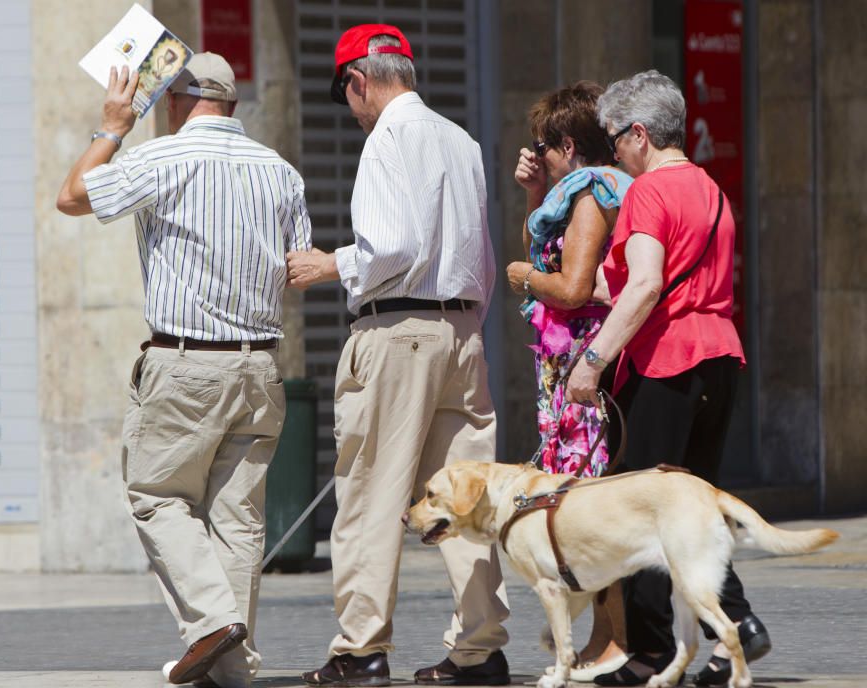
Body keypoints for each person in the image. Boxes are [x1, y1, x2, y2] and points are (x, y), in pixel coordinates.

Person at [56, 53, 312, 688]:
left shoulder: (161, 156)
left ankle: (212, 623)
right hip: (260, 367)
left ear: (173, 100)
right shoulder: (280, 171)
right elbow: (297, 267)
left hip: (185, 363)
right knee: (237, 520)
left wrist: (112, 126)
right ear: (231, 103)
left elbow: (71, 197)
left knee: (157, 497)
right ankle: (232, 669)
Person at [286, 23, 510, 688]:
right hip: (462, 331)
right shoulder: (460, 140)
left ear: (359, 81)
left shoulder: (387, 138)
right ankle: (481, 647)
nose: (352, 113)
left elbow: (393, 246)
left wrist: (331, 262)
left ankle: (361, 649)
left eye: (348, 97)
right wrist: (464, 326)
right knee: (467, 498)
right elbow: (481, 255)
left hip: (397, 332)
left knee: (370, 494)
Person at [565, 69, 770, 687]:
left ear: (638, 134)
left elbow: (650, 283)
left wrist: (594, 359)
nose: (612, 153)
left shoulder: (649, 193)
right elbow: (650, 276)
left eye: (613, 139)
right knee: (693, 512)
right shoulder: (710, 189)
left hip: (665, 362)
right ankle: (737, 624)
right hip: (719, 357)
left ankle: (652, 655)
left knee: (640, 512)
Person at [504, 81, 633, 682]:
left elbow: (573, 287)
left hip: (583, 369)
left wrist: (525, 275)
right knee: (584, 501)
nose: (539, 157)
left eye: (543, 146)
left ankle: (613, 642)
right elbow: (558, 263)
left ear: (565, 143)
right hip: (572, 365)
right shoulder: (580, 193)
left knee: (588, 504)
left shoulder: (590, 197)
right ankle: (606, 638)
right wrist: (534, 192)